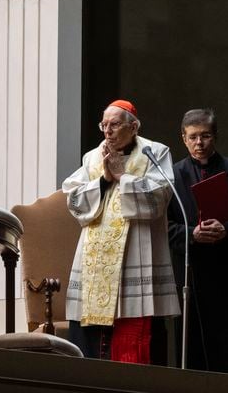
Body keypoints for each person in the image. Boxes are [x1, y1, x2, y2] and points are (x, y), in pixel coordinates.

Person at [63, 99, 181, 364]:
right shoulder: (93, 157)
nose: (108, 130)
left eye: (115, 124)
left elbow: (159, 197)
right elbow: (72, 198)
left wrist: (122, 177)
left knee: (136, 327)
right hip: (96, 262)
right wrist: (104, 180)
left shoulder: (155, 152)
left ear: (134, 127)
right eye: (104, 124)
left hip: (135, 255)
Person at [168, 108, 228, 375]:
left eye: (206, 136)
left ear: (215, 136)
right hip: (192, 277)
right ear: (183, 138)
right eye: (193, 137)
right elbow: (163, 227)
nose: (199, 143)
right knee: (194, 356)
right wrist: (191, 234)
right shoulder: (170, 177)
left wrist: (227, 229)